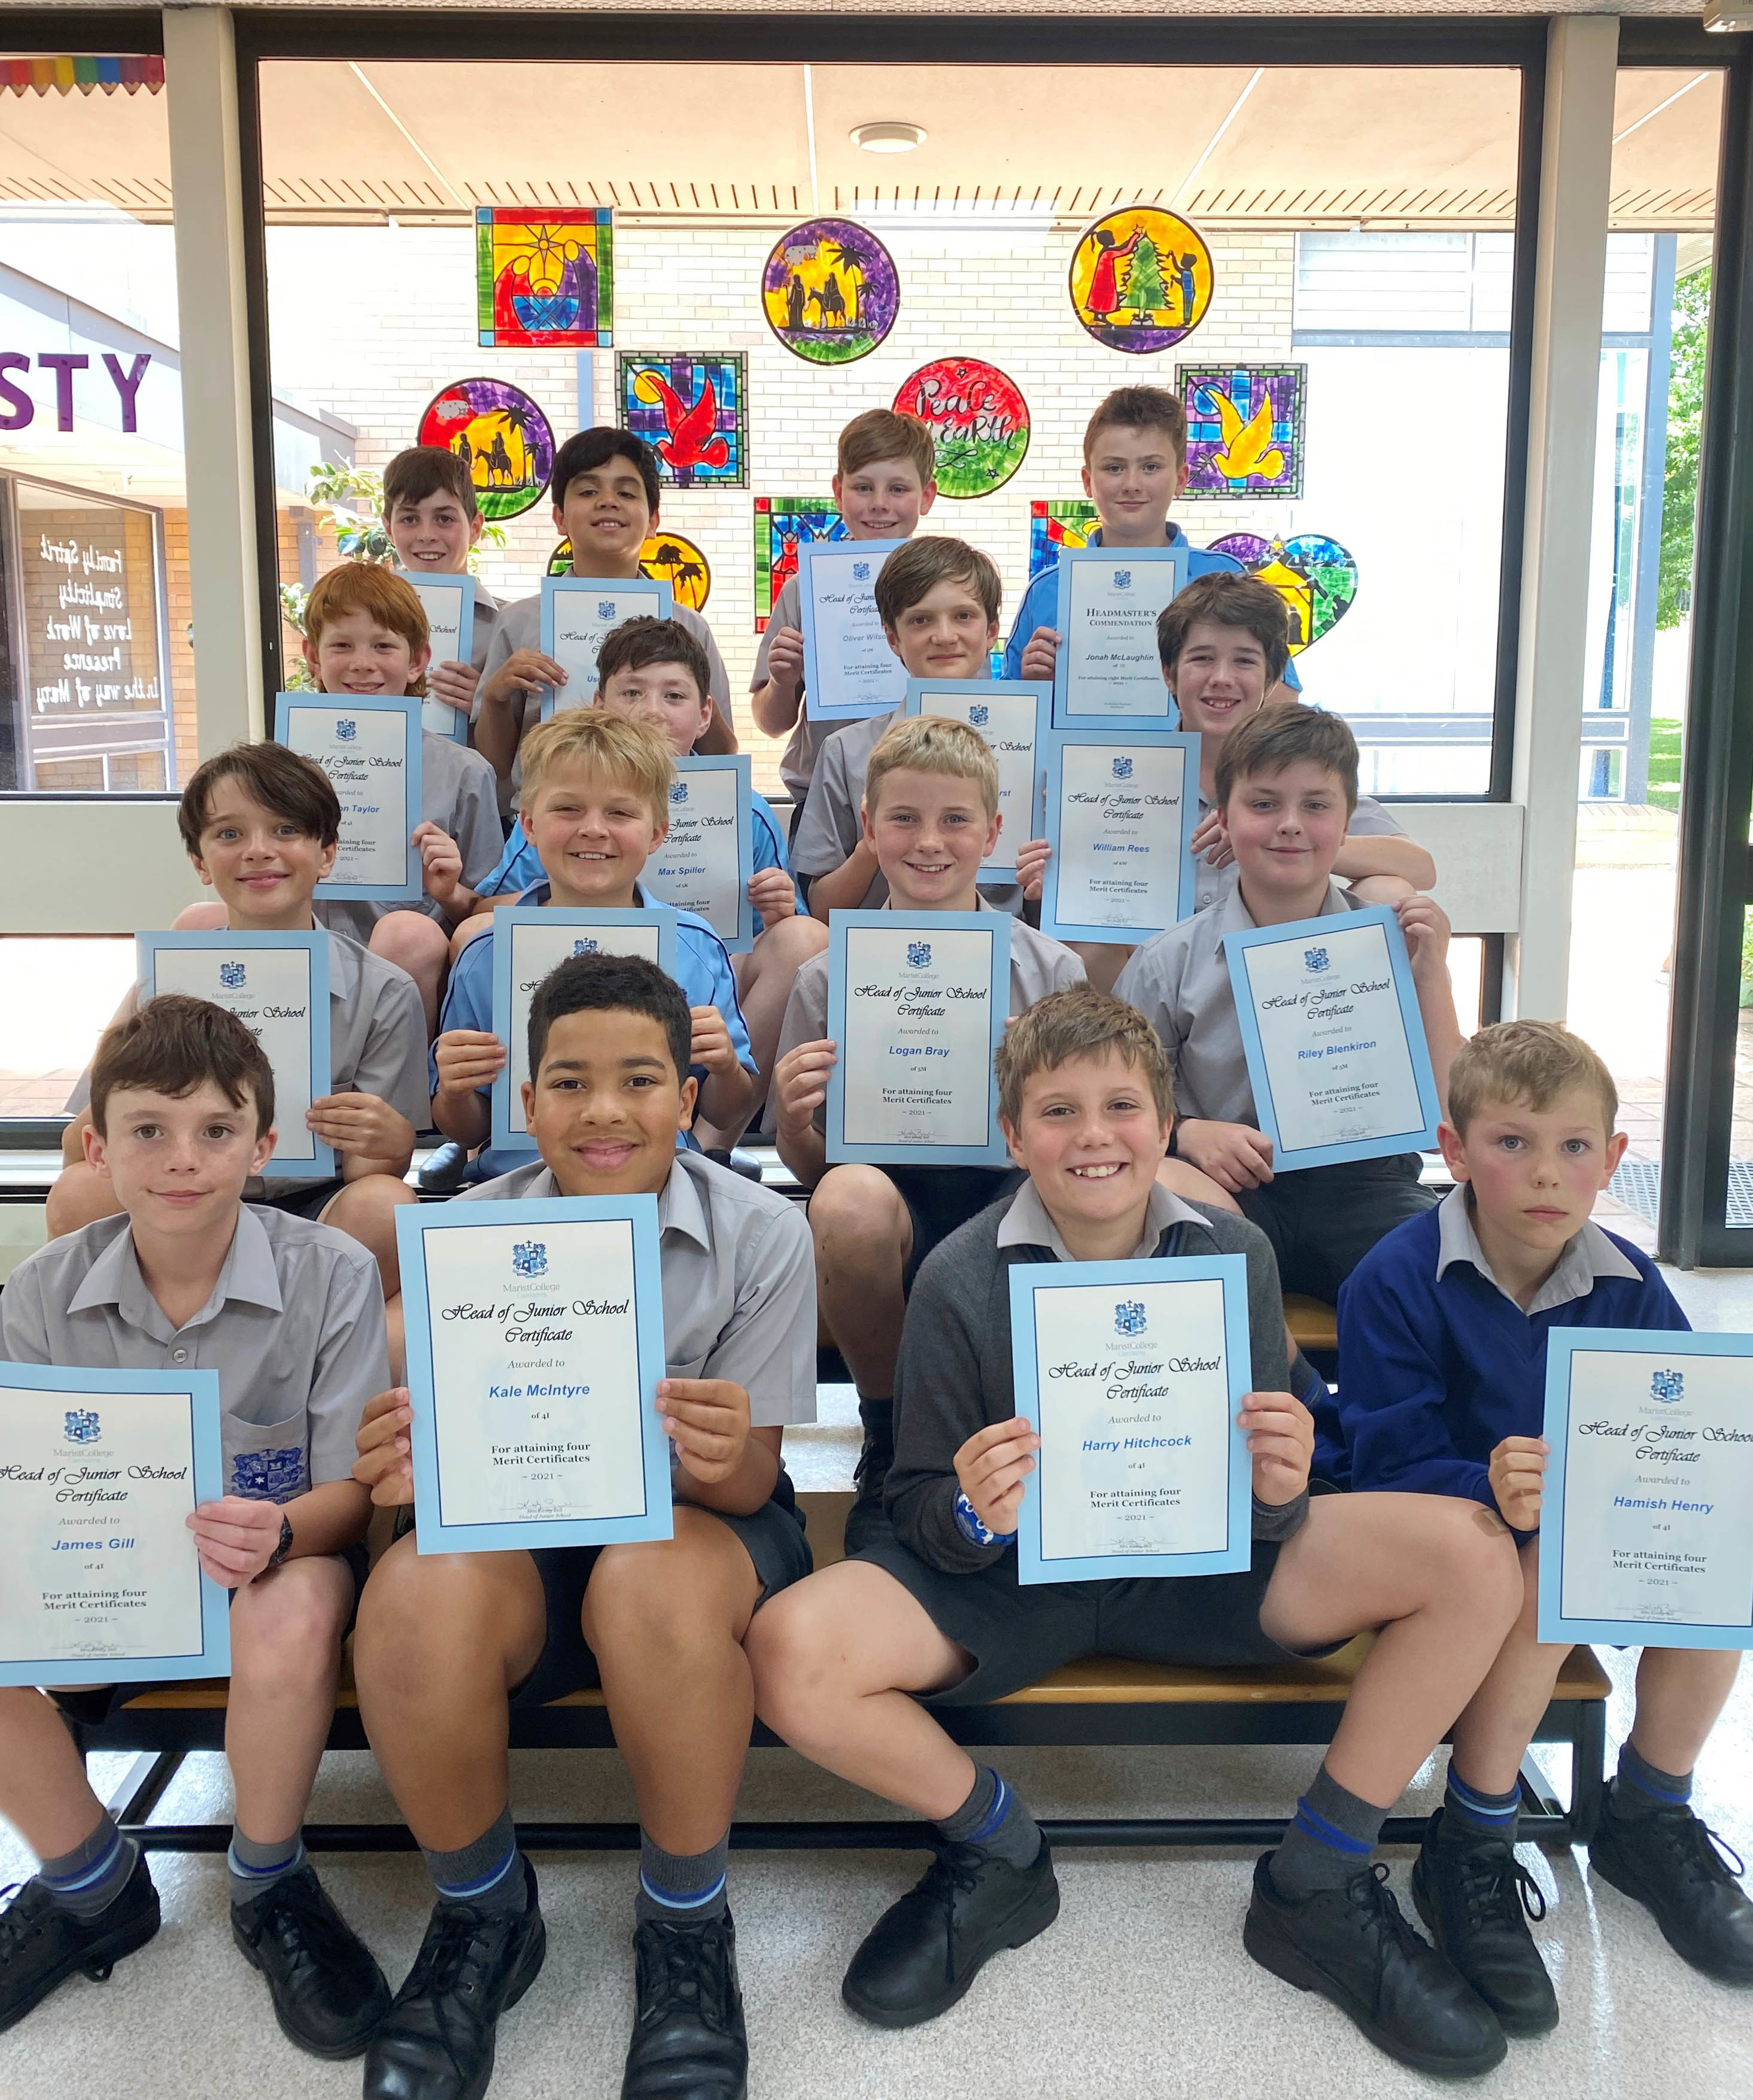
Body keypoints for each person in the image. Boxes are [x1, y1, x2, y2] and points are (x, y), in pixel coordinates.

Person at [749, 986, 1523, 2078]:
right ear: (1011, 1134)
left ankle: (1319, 1876)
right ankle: (996, 1846)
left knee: (1474, 1553)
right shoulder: (957, 1276)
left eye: (1120, 1106)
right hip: (1012, 1582)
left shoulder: (1234, 1252)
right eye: (1056, 1111)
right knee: (789, 1648)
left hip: (1198, 1571)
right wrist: (971, 1509)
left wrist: (1278, 1483)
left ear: (1164, 1125)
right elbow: (912, 1497)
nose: (1093, 1135)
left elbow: (1273, 1498)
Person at [348, 953, 817, 2100]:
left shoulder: (761, 1231)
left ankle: (684, 1919)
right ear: (525, 1101)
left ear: (686, 1097)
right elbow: (414, 1470)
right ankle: (482, 1910)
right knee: (410, 1588)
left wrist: (717, 1451)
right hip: (524, 1537)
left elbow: (753, 1481)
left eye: (639, 1080)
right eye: (568, 1081)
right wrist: (394, 1462)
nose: (604, 1109)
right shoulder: (463, 1235)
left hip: (695, 1533)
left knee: (649, 1580)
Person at [1335, 1020, 1753, 2036]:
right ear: (1452, 1149)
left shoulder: (1630, 1284)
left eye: (1574, 1146)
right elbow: (1383, 1463)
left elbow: (1678, 1428)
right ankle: (1472, 1838)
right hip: (1440, 1548)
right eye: (1510, 1142)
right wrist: (1482, 1484)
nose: (1545, 1173)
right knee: (1541, 1555)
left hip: (1581, 1535)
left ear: (1613, 1158)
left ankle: (1648, 1809)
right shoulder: (1392, 1277)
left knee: (1721, 1545)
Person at [0, 996, 391, 2056]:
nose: (183, 1158)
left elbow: (350, 1492)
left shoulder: (332, 1273)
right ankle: (92, 1882)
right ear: (96, 1147)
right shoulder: (39, 1292)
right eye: (148, 1129)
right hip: (102, 1589)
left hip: (276, 1566)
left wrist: (277, 1534)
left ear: (263, 1145)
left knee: (292, 1601)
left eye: (217, 1129)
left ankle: (267, 1879)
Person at [52, 743, 426, 1354]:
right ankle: (128, 1368)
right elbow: (80, 1143)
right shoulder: (160, 984)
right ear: (200, 862)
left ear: (327, 853)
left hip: (309, 1208)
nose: (258, 850)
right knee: (78, 1190)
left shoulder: (383, 992)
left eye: (286, 830)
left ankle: (288, 1357)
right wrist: (113, 1118)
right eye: (229, 833)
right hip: (177, 1196)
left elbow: (368, 1174)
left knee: (385, 1203)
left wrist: (388, 1144)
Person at [1116, 703, 1462, 1301]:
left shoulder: (1394, 945)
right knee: (1170, 1224)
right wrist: (1188, 1133)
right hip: (1232, 1181)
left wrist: (1431, 975)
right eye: (1263, 804)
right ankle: (1273, 1360)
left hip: (1367, 1184)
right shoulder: (1167, 961)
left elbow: (1448, 1121)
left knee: (1442, 1272)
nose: (1290, 825)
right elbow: (1121, 1103)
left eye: (1316, 806)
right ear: (1224, 820)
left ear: (1347, 825)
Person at [456, 616, 824, 1147]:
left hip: (698, 972)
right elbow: (487, 904)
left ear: (704, 715)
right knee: (478, 934)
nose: (652, 711)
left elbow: (787, 933)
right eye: (632, 692)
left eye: (673, 695)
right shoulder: (556, 804)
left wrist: (777, 909)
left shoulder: (745, 808)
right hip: (563, 966)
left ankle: (706, 1146)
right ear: (601, 703)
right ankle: (503, 1140)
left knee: (803, 938)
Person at [429, 710, 756, 1183]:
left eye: (620, 813)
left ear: (657, 833)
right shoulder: (486, 953)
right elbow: (468, 1128)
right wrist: (455, 1090)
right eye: (568, 809)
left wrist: (724, 1066)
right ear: (529, 825)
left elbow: (728, 1110)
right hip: (522, 1184)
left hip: (658, 1185)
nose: (594, 829)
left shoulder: (695, 947)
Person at [1017, 572, 1435, 938]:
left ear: (1270, 678)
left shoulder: (1299, 770)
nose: (1221, 678)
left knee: (1389, 892)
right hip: (1152, 977)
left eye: (1244, 661)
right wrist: (1046, 886)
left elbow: (1421, 868)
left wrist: (1268, 840)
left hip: (1279, 975)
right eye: (1202, 659)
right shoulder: (1110, 780)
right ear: (1169, 674)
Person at [177, 565, 500, 1038]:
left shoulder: (465, 772)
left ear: (417, 661)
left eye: (383, 646)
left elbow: (486, 914)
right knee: (197, 922)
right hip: (293, 938)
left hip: (403, 960)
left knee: (407, 931)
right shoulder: (270, 771)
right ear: (313, 656)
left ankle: (399, 1078)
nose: (362, 664)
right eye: (342, 645)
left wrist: (449, 891)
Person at [472, 427, 736, 806]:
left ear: (653, 521)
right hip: (547, 821)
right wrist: (497, 696)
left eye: (626, 493)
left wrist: (686, 696)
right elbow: (494, 766)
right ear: (560, 518)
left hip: (665, 821)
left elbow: (722, 755)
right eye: (588, 491)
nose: (608, 502)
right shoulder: (519, 621)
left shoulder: (688, 626)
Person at [1002, 384, 1302, 704]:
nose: (1132, 484)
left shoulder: (1224, 577)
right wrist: (1035, 685)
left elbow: (1282, 700)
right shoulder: (1048, 589)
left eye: (1151, 467)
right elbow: (1008, 714)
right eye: (1114, 468)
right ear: (1088, 482)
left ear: (1181, 480)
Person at [791, 537, 1034, 923]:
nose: (945, 636)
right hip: (879, 956)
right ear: (893, 638)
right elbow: (821, 911)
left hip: (1005, 948)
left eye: (963, 616)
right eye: (921, 620)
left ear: (992, 631)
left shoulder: (1037, 750)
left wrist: (1047, 883)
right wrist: (876, 838)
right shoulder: (846, 752)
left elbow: (1045, 913)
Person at [749, 407, 938, 819]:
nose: (879, 504)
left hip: (927, 801)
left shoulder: (948, 589)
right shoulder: (805, 589)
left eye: (898, 489)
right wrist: (782, 681)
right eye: (863, 487)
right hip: (822, 802)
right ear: (838, 491)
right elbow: (771, 723)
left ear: (926, 495)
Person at [380, 442, 502, 730]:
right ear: (389, 529)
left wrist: (490, 707)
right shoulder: (363, 617)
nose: (427, 535)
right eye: (410, 519)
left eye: (444, 519)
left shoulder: (507, 627)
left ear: (475, 528)